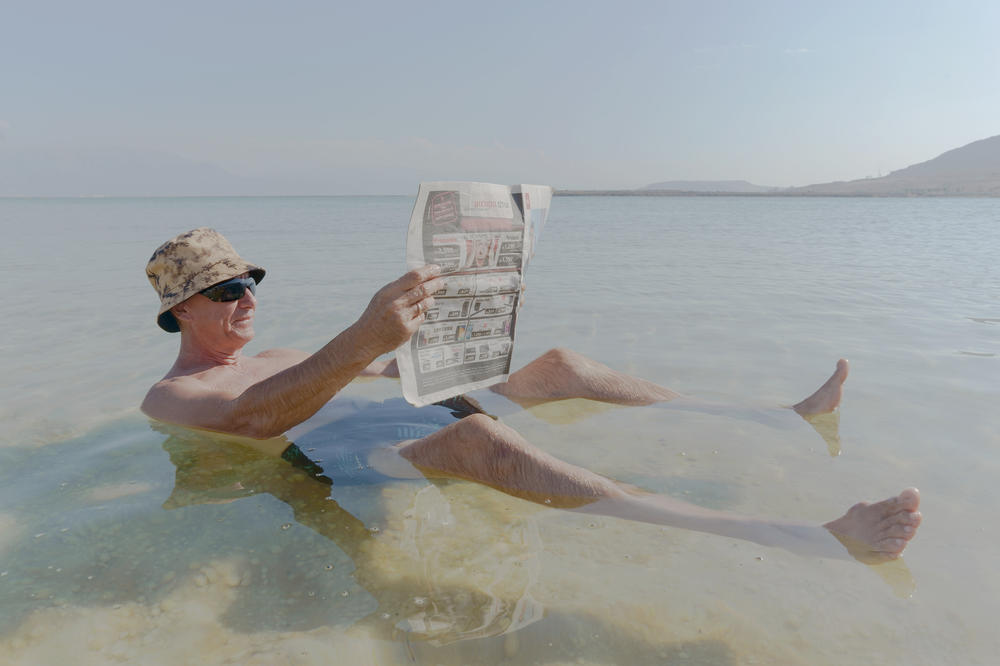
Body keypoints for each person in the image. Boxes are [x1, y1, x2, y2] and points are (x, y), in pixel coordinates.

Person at [142, 227, 921, 563]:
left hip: (393, 410)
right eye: (226, 289)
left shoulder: (283, 350)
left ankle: (777, 413)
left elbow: (377, 369)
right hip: (338, 457)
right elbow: (251, 420)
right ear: (182, 309)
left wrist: (443, 331)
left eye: (251, 281)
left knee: (561, 364)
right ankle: (804, 537)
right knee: (477, 443)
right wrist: (363, 337)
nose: (247, 296)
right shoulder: (172, 393)